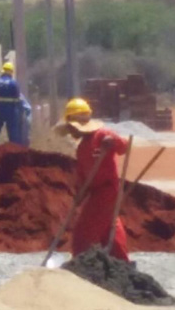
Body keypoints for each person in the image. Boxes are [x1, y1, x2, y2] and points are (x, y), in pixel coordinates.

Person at [55, 98, 129, 261]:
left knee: (84, 232)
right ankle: (121, 262)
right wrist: (80, 193)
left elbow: (124, 146)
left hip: (107, 190)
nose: (71, 132)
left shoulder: (102, 135)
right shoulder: (82, 148)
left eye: (72, 128)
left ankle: (81, 264)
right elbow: (82, 174)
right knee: (110, 229)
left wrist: (113, 142)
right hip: (95, 192)